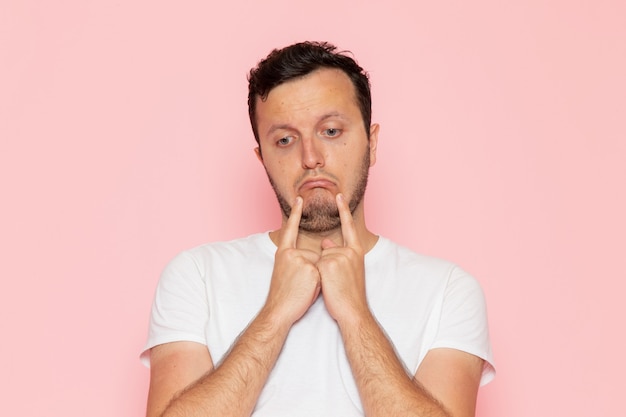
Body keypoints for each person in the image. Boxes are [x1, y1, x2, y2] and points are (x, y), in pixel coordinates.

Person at [141, 41, 495, 417]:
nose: (310, 158)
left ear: (371, 143)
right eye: (285, 140)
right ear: (262, 157)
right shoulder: (196, 275)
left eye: (330, 130)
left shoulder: (448, 290)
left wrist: (356, 315)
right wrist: (274, 314)